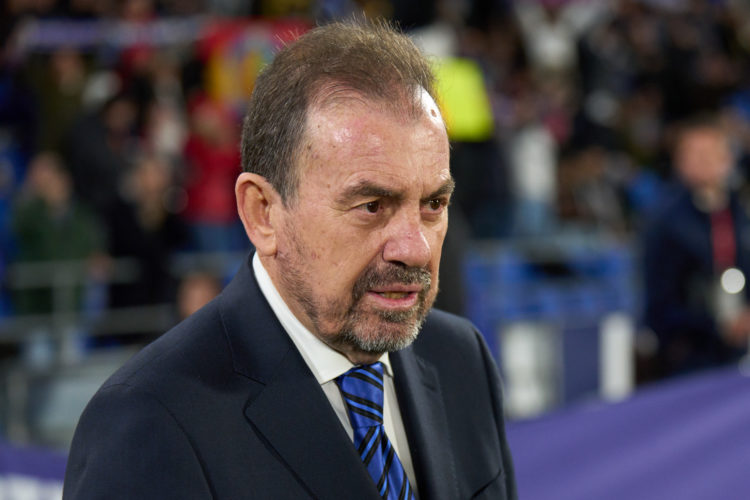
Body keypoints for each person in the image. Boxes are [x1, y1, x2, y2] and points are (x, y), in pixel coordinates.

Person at [63, 19, 517, 499]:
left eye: (433, 205)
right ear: (262, 213)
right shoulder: (149, 422)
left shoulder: (462, 360)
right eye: (371, 206)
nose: (415, 248)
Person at [643, 115, 750, 378]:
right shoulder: (666, 220)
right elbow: (659, 300)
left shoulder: (738, 211)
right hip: (689, 355)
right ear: (680, 160)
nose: (705, 161)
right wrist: (713, 325)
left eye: (712, 153)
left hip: (737, 348)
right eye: (695, 153)